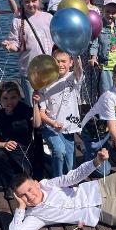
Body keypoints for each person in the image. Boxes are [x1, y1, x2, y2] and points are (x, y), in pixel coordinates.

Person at [80, 61, 116, 178]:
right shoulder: (109, 97)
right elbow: (112, 130)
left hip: (109, 125)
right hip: (94, 131)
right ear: (114, 79)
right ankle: (87, 151)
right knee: (104, 172)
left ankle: (108, 145)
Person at [2, 0, 54, 106]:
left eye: (34, 1)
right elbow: (16, 44)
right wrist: (10, 46)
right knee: (33, 105)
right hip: (28, 71)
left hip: (49, 69)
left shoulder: (48, 17)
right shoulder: (17, 21)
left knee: (51, 104)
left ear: (39, 0)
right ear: (21, 2)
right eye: (27, 1)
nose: (31, 4)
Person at [0, 81, 42, 199]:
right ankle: (11, 184)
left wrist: (35, 104)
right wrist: (4, 144)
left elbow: (37, 124)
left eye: (13, 97)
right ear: (0, 99)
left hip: (26, 150)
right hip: (8, 149)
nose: (9, 102)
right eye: (5, 98)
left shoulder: (25, 110)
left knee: (30, 177)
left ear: (19, 97)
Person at [39, 47, 83, 177]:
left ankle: (47, 160)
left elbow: (79, 69)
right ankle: (57, 179)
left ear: (71, 62)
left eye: (64, 61)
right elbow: (41, 113)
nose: (60, 64)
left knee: (70, 167)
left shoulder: (74, 77)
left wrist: (74, 51)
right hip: (51, 126)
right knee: (59, 151)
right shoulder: (45, 82)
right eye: (57, 61)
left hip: (69, 128)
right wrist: (52, 123)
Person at [89, 0, 116, 94]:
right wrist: (93, 58)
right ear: (103, 9)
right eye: (108, 11)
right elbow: (95, 44)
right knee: (106, 93)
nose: (110, 15)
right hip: (106, 66)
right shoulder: (99, 25)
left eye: (113, 12)